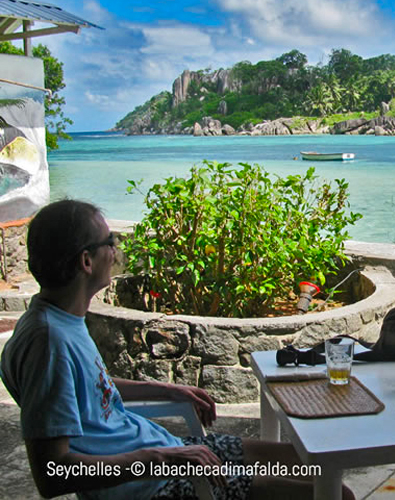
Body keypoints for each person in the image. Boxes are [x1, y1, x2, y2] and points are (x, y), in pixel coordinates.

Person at [0, 199, 354, 500]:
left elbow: (91, 389)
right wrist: (161, 458)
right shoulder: (49, 344)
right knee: (336, 494)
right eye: (109, 241)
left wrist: (169, 389)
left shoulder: (61, 320)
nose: (116, 249)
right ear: (86, 261)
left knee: (314, 463)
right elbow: (52, 473)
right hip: (159, 483)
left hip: (170, 454)